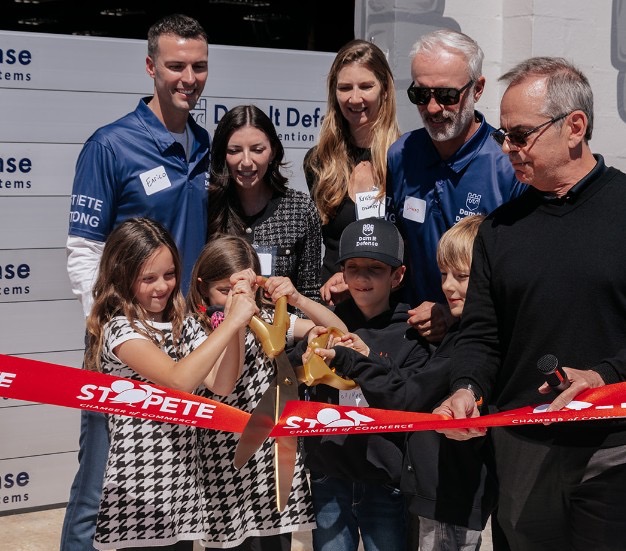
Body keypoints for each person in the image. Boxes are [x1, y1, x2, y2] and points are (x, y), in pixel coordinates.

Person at [437, 57, 626, 551]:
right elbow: (481, 333)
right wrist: (467, 387)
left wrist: (604, 376)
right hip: (523, 446)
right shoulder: (499, 230)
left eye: (520, 135)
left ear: (574, 127)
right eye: (504, 134)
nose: (507, 147)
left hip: (614, 448)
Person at [62, 14, 211, 550]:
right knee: (100, 484)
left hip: (183, 338)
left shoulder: (204, 144)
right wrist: (108, 329)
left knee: (176, 481)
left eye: (199, 66)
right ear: (151, 67)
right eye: (176, 66)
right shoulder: (110, 145)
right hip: (127, 342)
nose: (188, 78)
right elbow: (84, 250)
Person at [86, 218, 257, 550]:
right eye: (148, 278)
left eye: (169, 274)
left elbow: (221, 384)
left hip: (182, 489)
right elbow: (179, 380)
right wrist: (231, 321)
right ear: (122, 276)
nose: (162, 286)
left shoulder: (184, 325)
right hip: (139, 491)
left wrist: (236, 319)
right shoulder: (120, 330)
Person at [186, 235, 347, 550]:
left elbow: (340, 332)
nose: (237, 299)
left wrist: (298, 299)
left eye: (244, 290)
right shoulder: (195, 327)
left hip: (271, 458)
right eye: (225, 291)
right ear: (203, 287)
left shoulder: (270, 318)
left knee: (274, 543)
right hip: (222, 460)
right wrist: (235, 321)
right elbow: (224, 382)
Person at [294, 218, 432, 551]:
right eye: (353, 267)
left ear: (397, 275)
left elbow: (409, 395)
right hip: (329, 474)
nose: (361, 277)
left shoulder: (413, 334)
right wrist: (306, 351)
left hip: (385, 478)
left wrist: (367, 359)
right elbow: (292, 372)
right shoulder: (325, 325)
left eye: (375, 268)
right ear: (341, 273)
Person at [385, 29, 526, 343]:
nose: (433, 108)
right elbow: (395, 244)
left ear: (478, 89)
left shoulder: (508, 165)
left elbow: (519, 274)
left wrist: (453, 313)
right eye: (421, 95)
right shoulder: (401, 154)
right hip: (410, 332)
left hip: (482, 338)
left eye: (447, 95)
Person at [303, 39, 400, 305]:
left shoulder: (406, 158)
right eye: (345, 87)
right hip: (332, 305)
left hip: (390, 309)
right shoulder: (319, 162)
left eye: (366, 86)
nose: (354, 98)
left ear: (385, 90)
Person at [207, 104, 322, 310]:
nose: (246, 161)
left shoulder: (300, 209)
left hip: (285, 328)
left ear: (273, 151)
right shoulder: (208, 207)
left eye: (257, 150)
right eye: (234, 151)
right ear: (222, 154)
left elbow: (310, 294)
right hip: (219, 327)